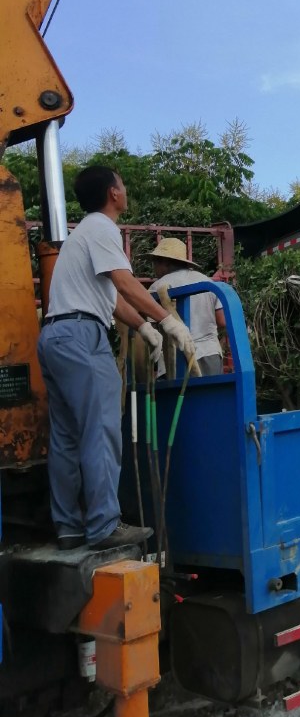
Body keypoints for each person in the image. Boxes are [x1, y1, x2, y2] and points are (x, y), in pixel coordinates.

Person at [37, 165, 196, 552]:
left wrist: (142, 327)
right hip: (80, 337)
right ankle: (104, 525)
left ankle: (69, 528)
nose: (125, 191)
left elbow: (114, 298)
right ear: (113, 193)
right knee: (102, 428)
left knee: (66, 437)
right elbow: (125, 282)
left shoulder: (82, 236)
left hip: (56, 335)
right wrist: (167, 321)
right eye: (123, 185)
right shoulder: (102, 228)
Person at [146, 238, 226, 377]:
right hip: (209, 353)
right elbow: (222, 321)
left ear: (165, 262)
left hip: (175, 360)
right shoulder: (206, 281)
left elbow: (151, 330)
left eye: (155, 262)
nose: (154, 268)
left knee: (180, 398)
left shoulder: (157, 288)